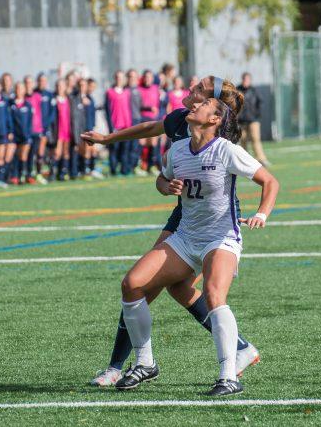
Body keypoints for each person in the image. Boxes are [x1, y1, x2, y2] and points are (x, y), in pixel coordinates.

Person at [83, 76, 260, 387]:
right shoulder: (181, 119)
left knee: (148, 287)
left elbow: (252, 178)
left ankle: (121, 366)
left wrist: (262, 212)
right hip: (184, 211)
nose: (192, 86)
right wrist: (109, 139)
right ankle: (241, 347)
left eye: (199, 88)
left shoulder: (221, 139)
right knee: (166, 287)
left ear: (211, 105)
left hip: (211, 217)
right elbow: (150, 128)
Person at [115, 96, 279, 395]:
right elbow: (162, 180)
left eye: (204, 104)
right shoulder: (177, 149)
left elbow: (270, 182)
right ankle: (145, 363)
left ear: (215, 119)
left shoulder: (226, 150)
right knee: (132, 284)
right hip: (185, 236)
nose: (194, 105)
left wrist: (261, 213)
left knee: (215, 295)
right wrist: (167, 187)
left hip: (221, 237)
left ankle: (229, 375)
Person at [237, 73, 270, 167]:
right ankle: (244, 160)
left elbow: (261, 103)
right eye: (244, 79)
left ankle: (261, 159)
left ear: (250, 80)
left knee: (255, 139)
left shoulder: (254, 90)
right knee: (243, 140)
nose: (245, 81)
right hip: (241, 120)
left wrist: (257, 114)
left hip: (253, 119)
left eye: (247, 80)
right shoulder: (237, 90)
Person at [105, 71, 132, 176]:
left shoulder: (127, 92)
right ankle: (113, 170)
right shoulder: (109, 92)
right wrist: (110, 126)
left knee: (125, 149)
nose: (119, 79)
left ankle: (124, 170)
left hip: (127, 125)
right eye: (117, 77)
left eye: (121, 77)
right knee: (114, 149)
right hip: (115, 126)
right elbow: (107, 110)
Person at [9, 81, 35, 185]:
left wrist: (28, 133)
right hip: (14, 135)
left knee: (23, 156)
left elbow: (30, 121)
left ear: (24, 91)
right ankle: (13, 175)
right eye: (17, 88)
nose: (19, 91)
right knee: (14, 155)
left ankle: (22, 176)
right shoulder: (11, 104)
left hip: (25, 134)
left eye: (21, 89)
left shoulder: (27, 105)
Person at [138, 69, 162, 173]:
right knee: (142, 142)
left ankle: (151, 166)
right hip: (142, 118)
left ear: (152, 79)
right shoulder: (139, 89)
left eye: (149, 77)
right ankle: (140, 164)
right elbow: (137, 105)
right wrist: (148, 109)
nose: (148, 79)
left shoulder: (156, 89)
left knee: (153, 142)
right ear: (143, 78)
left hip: (154, 119)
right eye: (146, 77)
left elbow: (159, 105)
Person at [52, 78, 73, 181]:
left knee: (66, 152)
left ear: (65, 87)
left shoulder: (69, 99)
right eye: (58, 86)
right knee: (57, 152)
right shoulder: (54, 100)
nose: (60, 88)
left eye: (62, 86)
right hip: (58, 130)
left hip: (67, 130)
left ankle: (63, 173)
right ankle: (53, 172)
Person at [127, 70, 145, 176]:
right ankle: (127, 167)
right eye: (130, 76)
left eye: (133, 76)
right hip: (127, 120)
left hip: (137, 119)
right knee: (127, 145)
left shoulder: (139, 90)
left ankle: (134, 166)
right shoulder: (125, 90)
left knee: (136, 145)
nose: (131, 78)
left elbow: (141, 106)